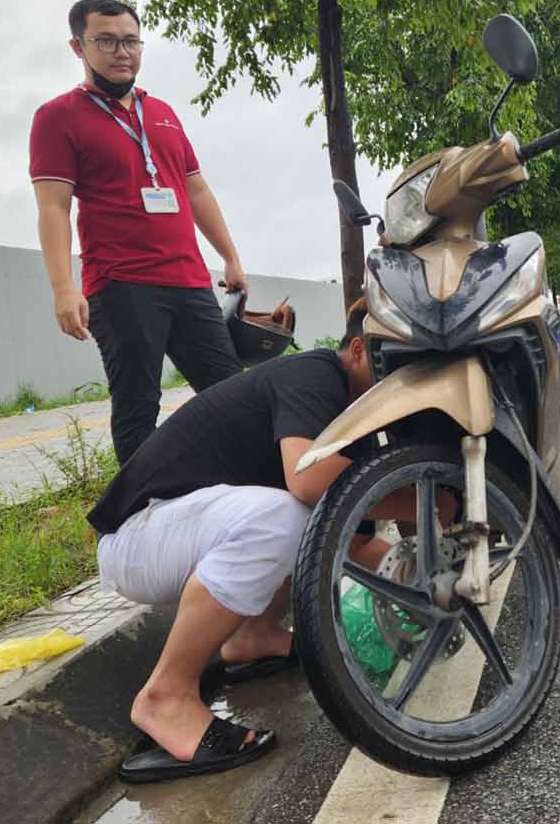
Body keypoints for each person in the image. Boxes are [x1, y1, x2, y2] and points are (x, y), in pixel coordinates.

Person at [88, 301, 398, 783]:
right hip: (138, 534)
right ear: (358, 350)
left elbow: (352, 543)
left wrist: (420, 581)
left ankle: (254, 637)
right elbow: (308, 479)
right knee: (287, 513)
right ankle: (165, 697)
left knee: (308, 517)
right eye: (398, 365)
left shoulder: (352, 418)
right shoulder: (317, 376)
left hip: (180, 527)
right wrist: (412, 503)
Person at [30, 0, 248, 464]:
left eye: (130, 40)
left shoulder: (163, 112)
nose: (121, 51)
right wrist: (63, 288)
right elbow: (53, 207)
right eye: (105, 41)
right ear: (78, 46)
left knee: (236, 397)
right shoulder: (58, 117)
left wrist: (229, 256)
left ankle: (229, 494)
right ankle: (137, 519)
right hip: (122, 285)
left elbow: (197, 191)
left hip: (189, 281)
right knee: (137, 409)